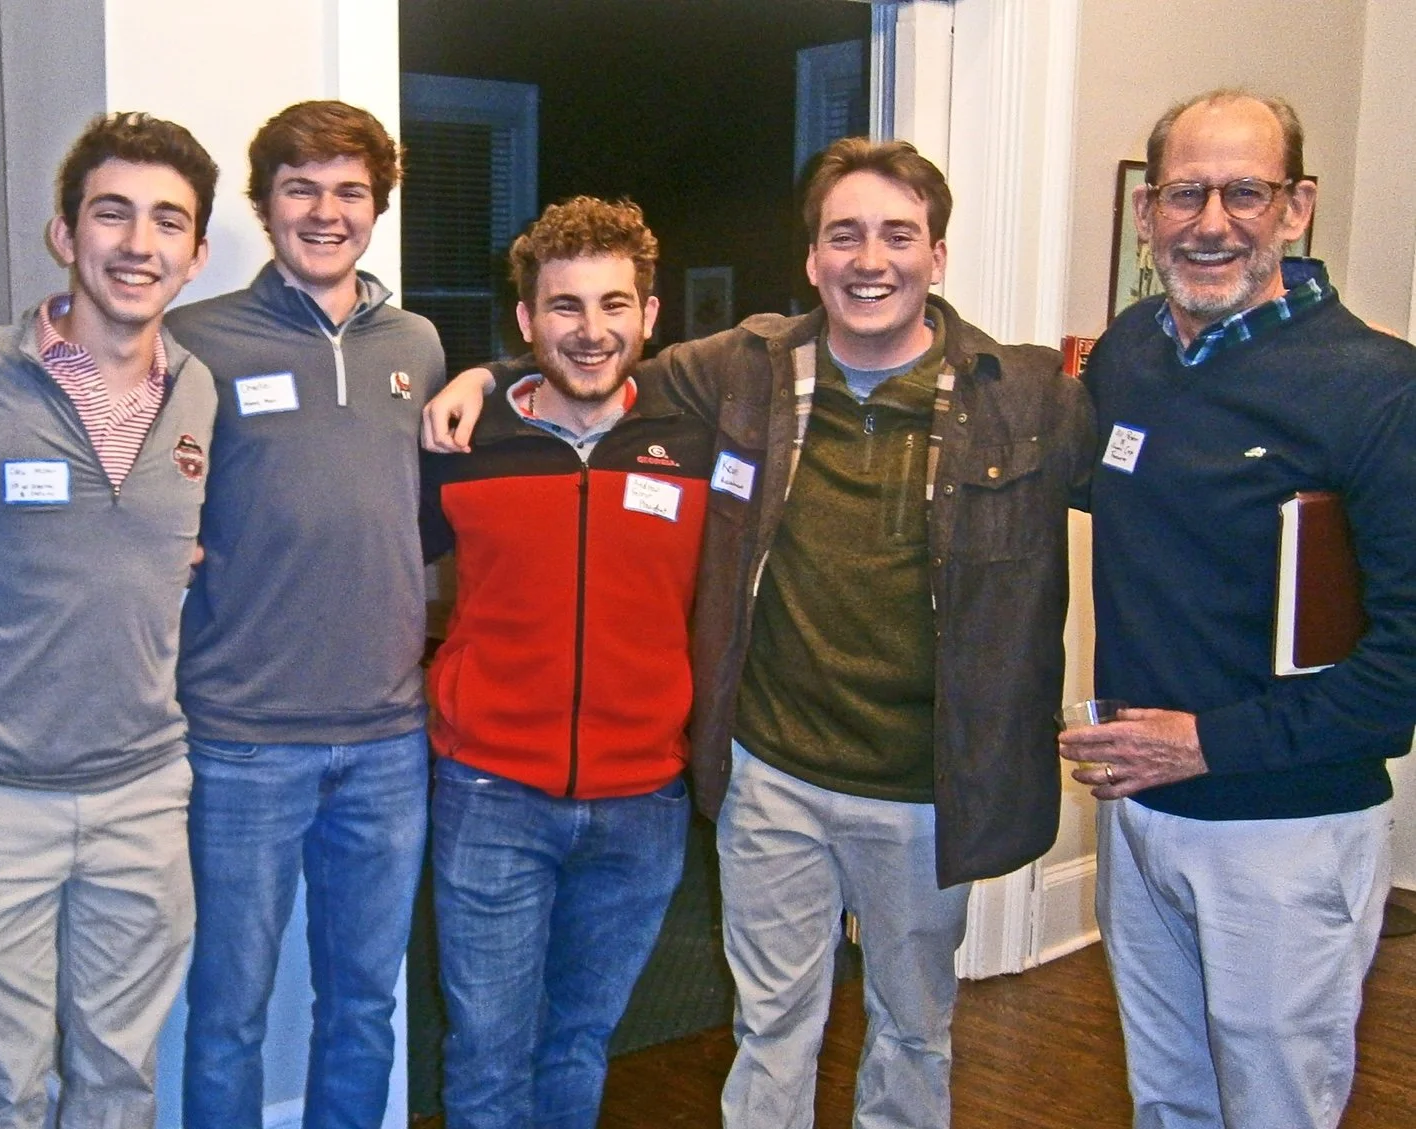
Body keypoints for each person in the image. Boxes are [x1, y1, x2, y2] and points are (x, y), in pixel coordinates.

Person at [426, 138, 1092, 1129]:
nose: (871, 259)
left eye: (897, 235)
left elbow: (1159, 474)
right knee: (762, 1026)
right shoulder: (749, 376)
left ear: (937, 256)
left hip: (919, 788)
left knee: (914, 1031)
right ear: (814, 259)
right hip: (765, 777)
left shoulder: (1021, 397)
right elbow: (576, 356)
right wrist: (486, 374)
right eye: (844, 235)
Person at [1060, 89, 1416, 1129]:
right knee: (1167, 1096)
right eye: (1184, 193)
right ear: (1146, 214)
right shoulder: (1129, 352)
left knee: (1274, 1108)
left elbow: (1403, 662)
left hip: (1285, 829)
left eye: (1245, 192)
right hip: (1140, 813)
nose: (1211, 221)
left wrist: (1208, 743)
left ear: (1297, 207)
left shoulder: (1381, 388)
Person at [0, 112, 218, 1129]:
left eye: (167, 221)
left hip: (143, 791)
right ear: (64, 234)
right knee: (2, 1083)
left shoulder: (202, 390)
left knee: (120, 1080)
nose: (139, 243)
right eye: (113, 214)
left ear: (197, 252)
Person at [162, 98, 446, 1129]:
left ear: (377, 206)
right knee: (229, 1010)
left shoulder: (417, 341)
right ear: (265, 201)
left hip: (387, 740)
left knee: (367, 1004)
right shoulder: (195, 340)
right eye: (301, 188)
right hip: (241, 740)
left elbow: (427, 507)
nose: (326, 212)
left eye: (350, 191)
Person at [421, 196, 703, 1129]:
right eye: (566, 307)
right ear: (527, 320)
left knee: (580, 1041)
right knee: (490, 1052)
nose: (591, 331)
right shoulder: (463, 442)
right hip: (491, 793)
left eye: (614, 305)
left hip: (641, 804)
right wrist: (486, 378)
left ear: (650, 317)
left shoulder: (697, 439)